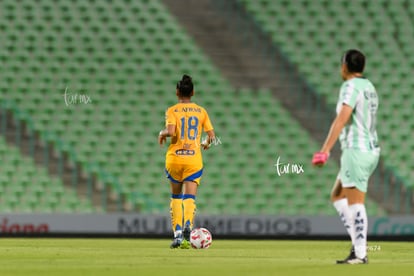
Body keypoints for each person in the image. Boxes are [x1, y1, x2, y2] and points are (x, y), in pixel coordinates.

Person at [312, 49, 380, 264]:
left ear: (345, 66)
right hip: (370, 149)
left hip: (356, 150)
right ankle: (357, 247)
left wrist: (325, 150)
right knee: (337, 195)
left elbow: (342, 118)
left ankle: (360, 254)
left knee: (355, 202)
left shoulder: (350, 86)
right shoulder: (369, 87)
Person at [158, 74, 215, 249]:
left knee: (176, 197)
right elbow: (211, 136)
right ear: (193, 92)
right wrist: (205, 143)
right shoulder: (201, 111)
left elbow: (171, 131)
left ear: (177, 92)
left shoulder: (172, 110)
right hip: (193, 159)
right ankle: (188, 229)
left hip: (175, 159)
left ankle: (176, 236)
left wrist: (162, 134)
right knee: (189, 197)